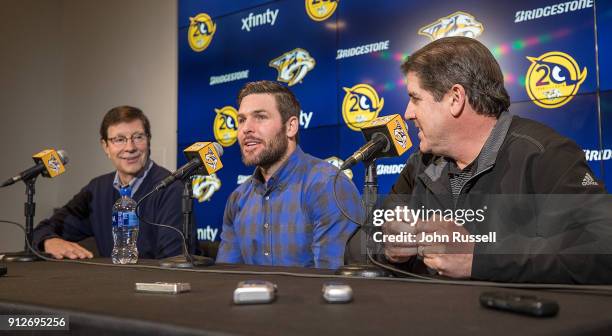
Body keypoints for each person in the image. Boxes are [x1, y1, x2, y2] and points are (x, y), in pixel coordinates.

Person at [381, 36, 611, 283]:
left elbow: (602, 246)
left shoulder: (545, 155)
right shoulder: (420, 165)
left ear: (455, 99)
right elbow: (360, 243)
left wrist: (480, 258)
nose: (407, 113)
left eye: (415, 98)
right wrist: (388, 245)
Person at [217, 80, 362, 269]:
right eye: (242, 120)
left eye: (260, 117)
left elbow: (331, 282)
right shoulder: (237, 199)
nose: (246, 128)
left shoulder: (328, 186)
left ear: (291, 127)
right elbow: (226, 277)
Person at [33, 106, 185, 260]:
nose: (130, 147)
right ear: (105, 147)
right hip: (110, 282)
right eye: (119, 140)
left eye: (138, 137)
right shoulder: (97, 190)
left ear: (148, 140)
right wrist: (49, 241)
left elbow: (174, 260)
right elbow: (42, 230)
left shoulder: (171, 188)